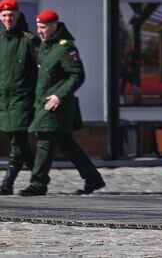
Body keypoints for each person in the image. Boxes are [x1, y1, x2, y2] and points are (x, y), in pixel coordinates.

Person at [20, 10, 104, 196]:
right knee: (66, 144)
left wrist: (59, 96)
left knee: (45, 141)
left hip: (57, 105)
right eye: (38, 27)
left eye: (43, 27)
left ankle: (38, 183)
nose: (39, 31)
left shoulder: (65, 48)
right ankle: (93, 178)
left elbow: (77, 75)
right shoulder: (46, 46)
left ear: (54, 26)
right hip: (43, 103)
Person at [0, 0, 37, 194]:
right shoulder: (0, 40)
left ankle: (7, 183)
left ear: (18, 15)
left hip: (22, 98)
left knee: (18, 141)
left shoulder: (28, 40)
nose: (8, 19)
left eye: (11, 15)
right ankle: (40, 175)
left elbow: (42, 68)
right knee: (17, 139)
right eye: (5, 15)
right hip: (3, 100)